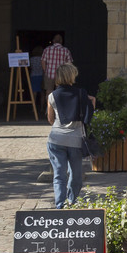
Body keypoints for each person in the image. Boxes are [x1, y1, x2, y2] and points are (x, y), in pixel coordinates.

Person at [44, 62, 91, 208]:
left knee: (59, 174)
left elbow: (50, 119)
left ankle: (60, 204)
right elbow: (89, 114)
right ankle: (72, 200)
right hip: (75, 140)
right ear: (72, 76)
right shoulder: (81, 93)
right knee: (76, 175)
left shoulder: (52, 96)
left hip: (56, 139)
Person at [40, 33, 72, 99]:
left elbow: (43, 61)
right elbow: (69, 64)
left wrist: (46, 71)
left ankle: (49, 108)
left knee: (49, 92)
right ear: (61, 41)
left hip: (49, 74)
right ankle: (59, 108)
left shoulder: (47, 49)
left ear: (53, 40)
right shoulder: (66, 50)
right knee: (60, 92)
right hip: (61, 75)